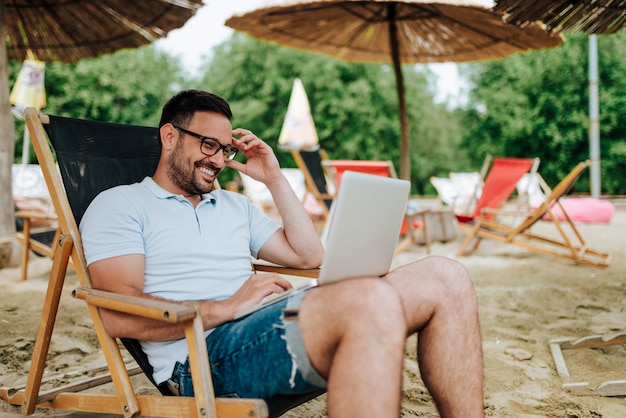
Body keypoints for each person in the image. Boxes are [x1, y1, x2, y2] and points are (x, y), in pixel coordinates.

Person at [80, 90, 484, 417]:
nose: (220, 160)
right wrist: (226, 307)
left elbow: (309, 255)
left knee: (447, 276)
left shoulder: (234, 206)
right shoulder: (120, 204)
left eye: (226, 150)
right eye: (208, 145)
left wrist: (274, 177)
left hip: (266, 327)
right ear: (169, 136)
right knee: (368, 297)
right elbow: (120, 313)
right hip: (202, 361)